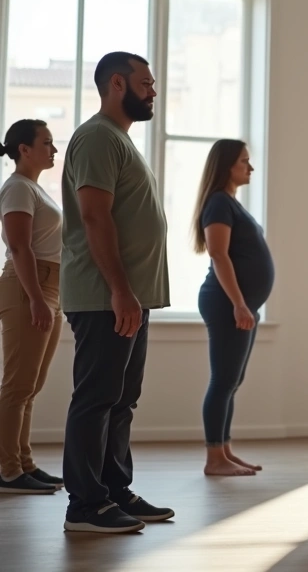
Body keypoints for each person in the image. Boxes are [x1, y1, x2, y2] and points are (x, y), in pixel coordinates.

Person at [60, 52, 172, 533]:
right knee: (97, 397)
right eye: (146, 83)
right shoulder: (97, 137)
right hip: (105, 296)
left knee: (122, 398)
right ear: (117, 85)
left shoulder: (119, 141)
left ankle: (113, 491)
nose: (153, 91)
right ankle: (85, 505)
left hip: (128, 297)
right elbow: (94, 216)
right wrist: (121, 291)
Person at [193, 139, 274, 476]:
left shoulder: (228, 203)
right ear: (227, 166)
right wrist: (239, 304)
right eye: (244, 161)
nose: (250, 167)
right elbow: (218, 254)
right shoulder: (218, 204)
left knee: (232, 380)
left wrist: (246, 305)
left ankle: (224, 450)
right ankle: (214, 459)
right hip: (226, 303)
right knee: (223, 380)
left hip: (241, 306)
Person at [0, 120, 63, 494]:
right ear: (24, 149)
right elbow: (20, 247)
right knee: (17, 384)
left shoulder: (35, 189)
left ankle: (23, 462)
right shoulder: (18, 189)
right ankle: (7, 470)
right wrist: (37, 298)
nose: (53, 150)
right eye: (47, 143)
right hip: (30, 287)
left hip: (49, 287)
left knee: (31, 385)